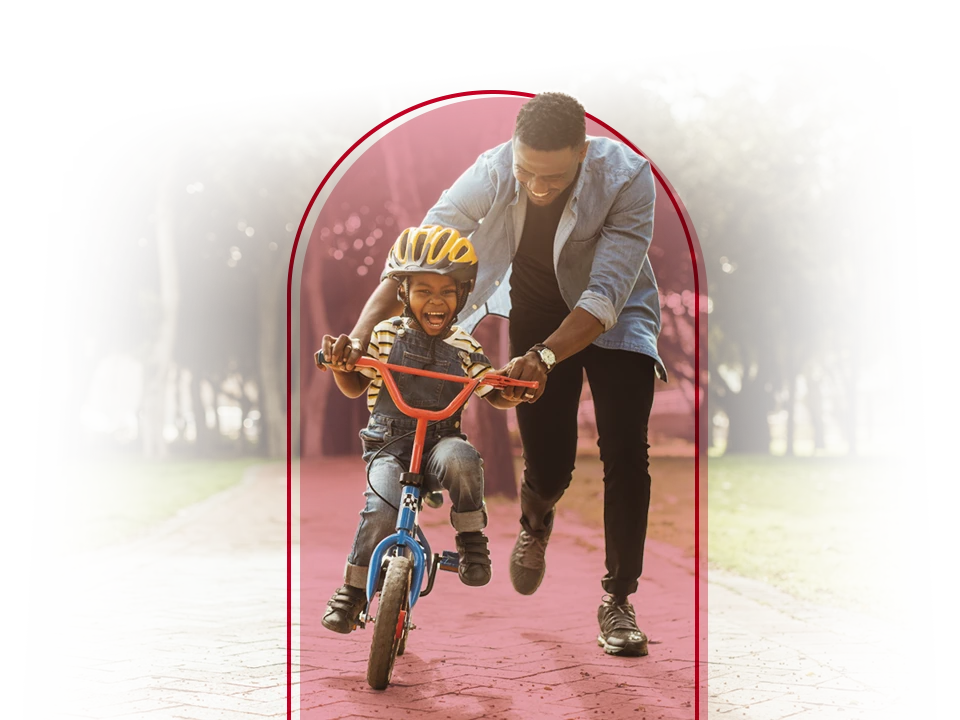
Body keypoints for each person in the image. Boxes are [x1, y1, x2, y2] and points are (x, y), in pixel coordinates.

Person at [340, 89, 667, 657]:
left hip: (614, 317)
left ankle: (618, 600)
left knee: (625, 449)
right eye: (527, 173)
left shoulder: (627, 176)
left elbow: (606, 292)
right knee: (549, 462)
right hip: (537, 313)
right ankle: (537, 519)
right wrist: (364, 329)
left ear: (582, 152)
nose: (537, 187)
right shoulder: (492, 171)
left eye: (553, 178)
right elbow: (419, 254)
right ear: (513, 152)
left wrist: (545, 358)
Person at [319, 225, 522, 635]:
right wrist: (343, 367)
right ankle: (353, 590)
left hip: (439, 443)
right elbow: (356, 384)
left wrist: (513, 390)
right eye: (423, 290)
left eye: (447, 291)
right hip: (389, 445)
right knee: (381, 507)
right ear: (404, 294)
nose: (436, 300)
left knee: (463, 460)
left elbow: (492, 391)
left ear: (462, 295)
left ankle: (470, 538)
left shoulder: (465, 347)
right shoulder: (382, 335)